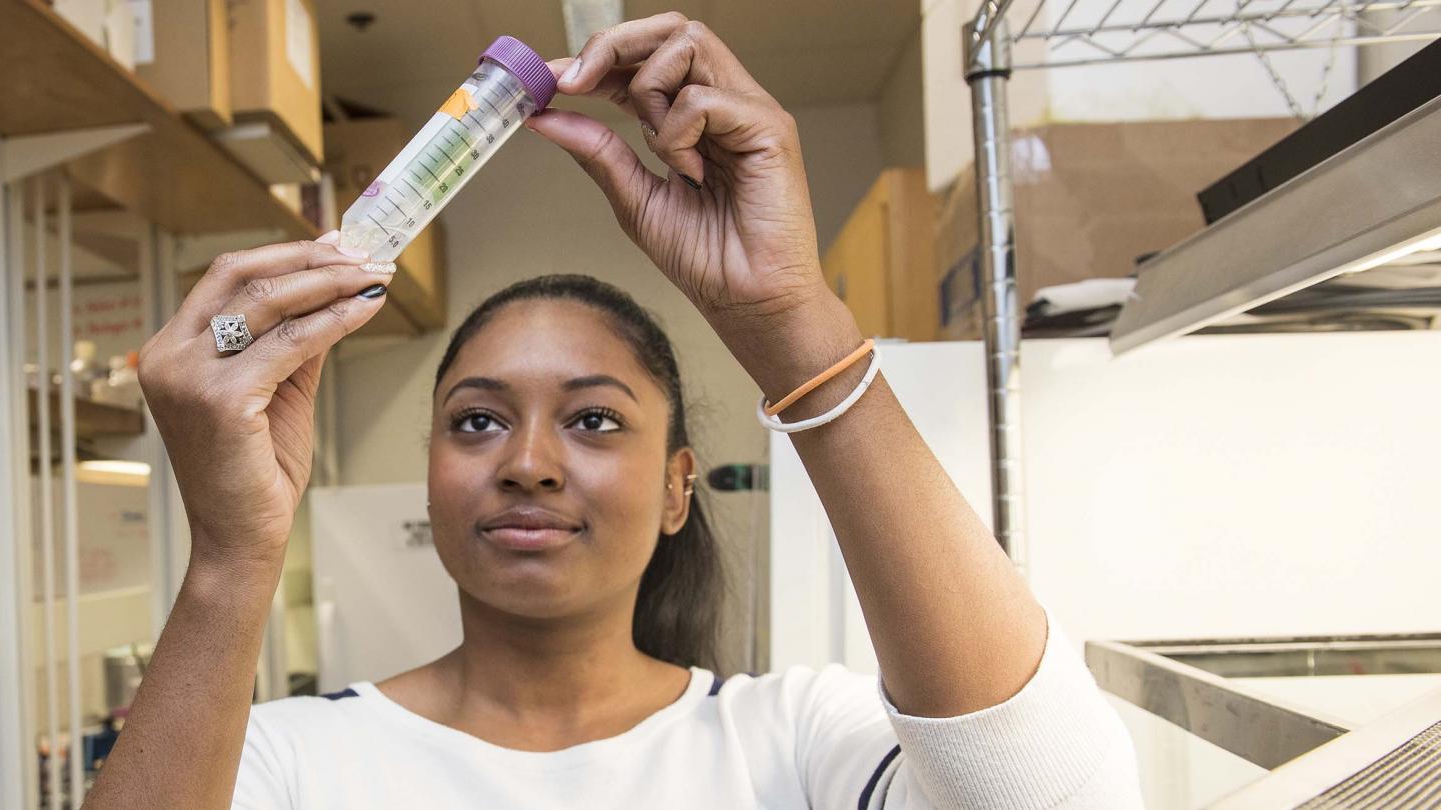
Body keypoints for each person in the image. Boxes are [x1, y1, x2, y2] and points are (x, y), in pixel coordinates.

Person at [85, 13, 1142, 810]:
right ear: (431, 475)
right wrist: (232, 554)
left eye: (593, 420)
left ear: (681, 488)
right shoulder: (283, 758)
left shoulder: (788, 740)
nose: (529, 463)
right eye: (476, 421)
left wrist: (792, 321)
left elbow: (1058, 795)